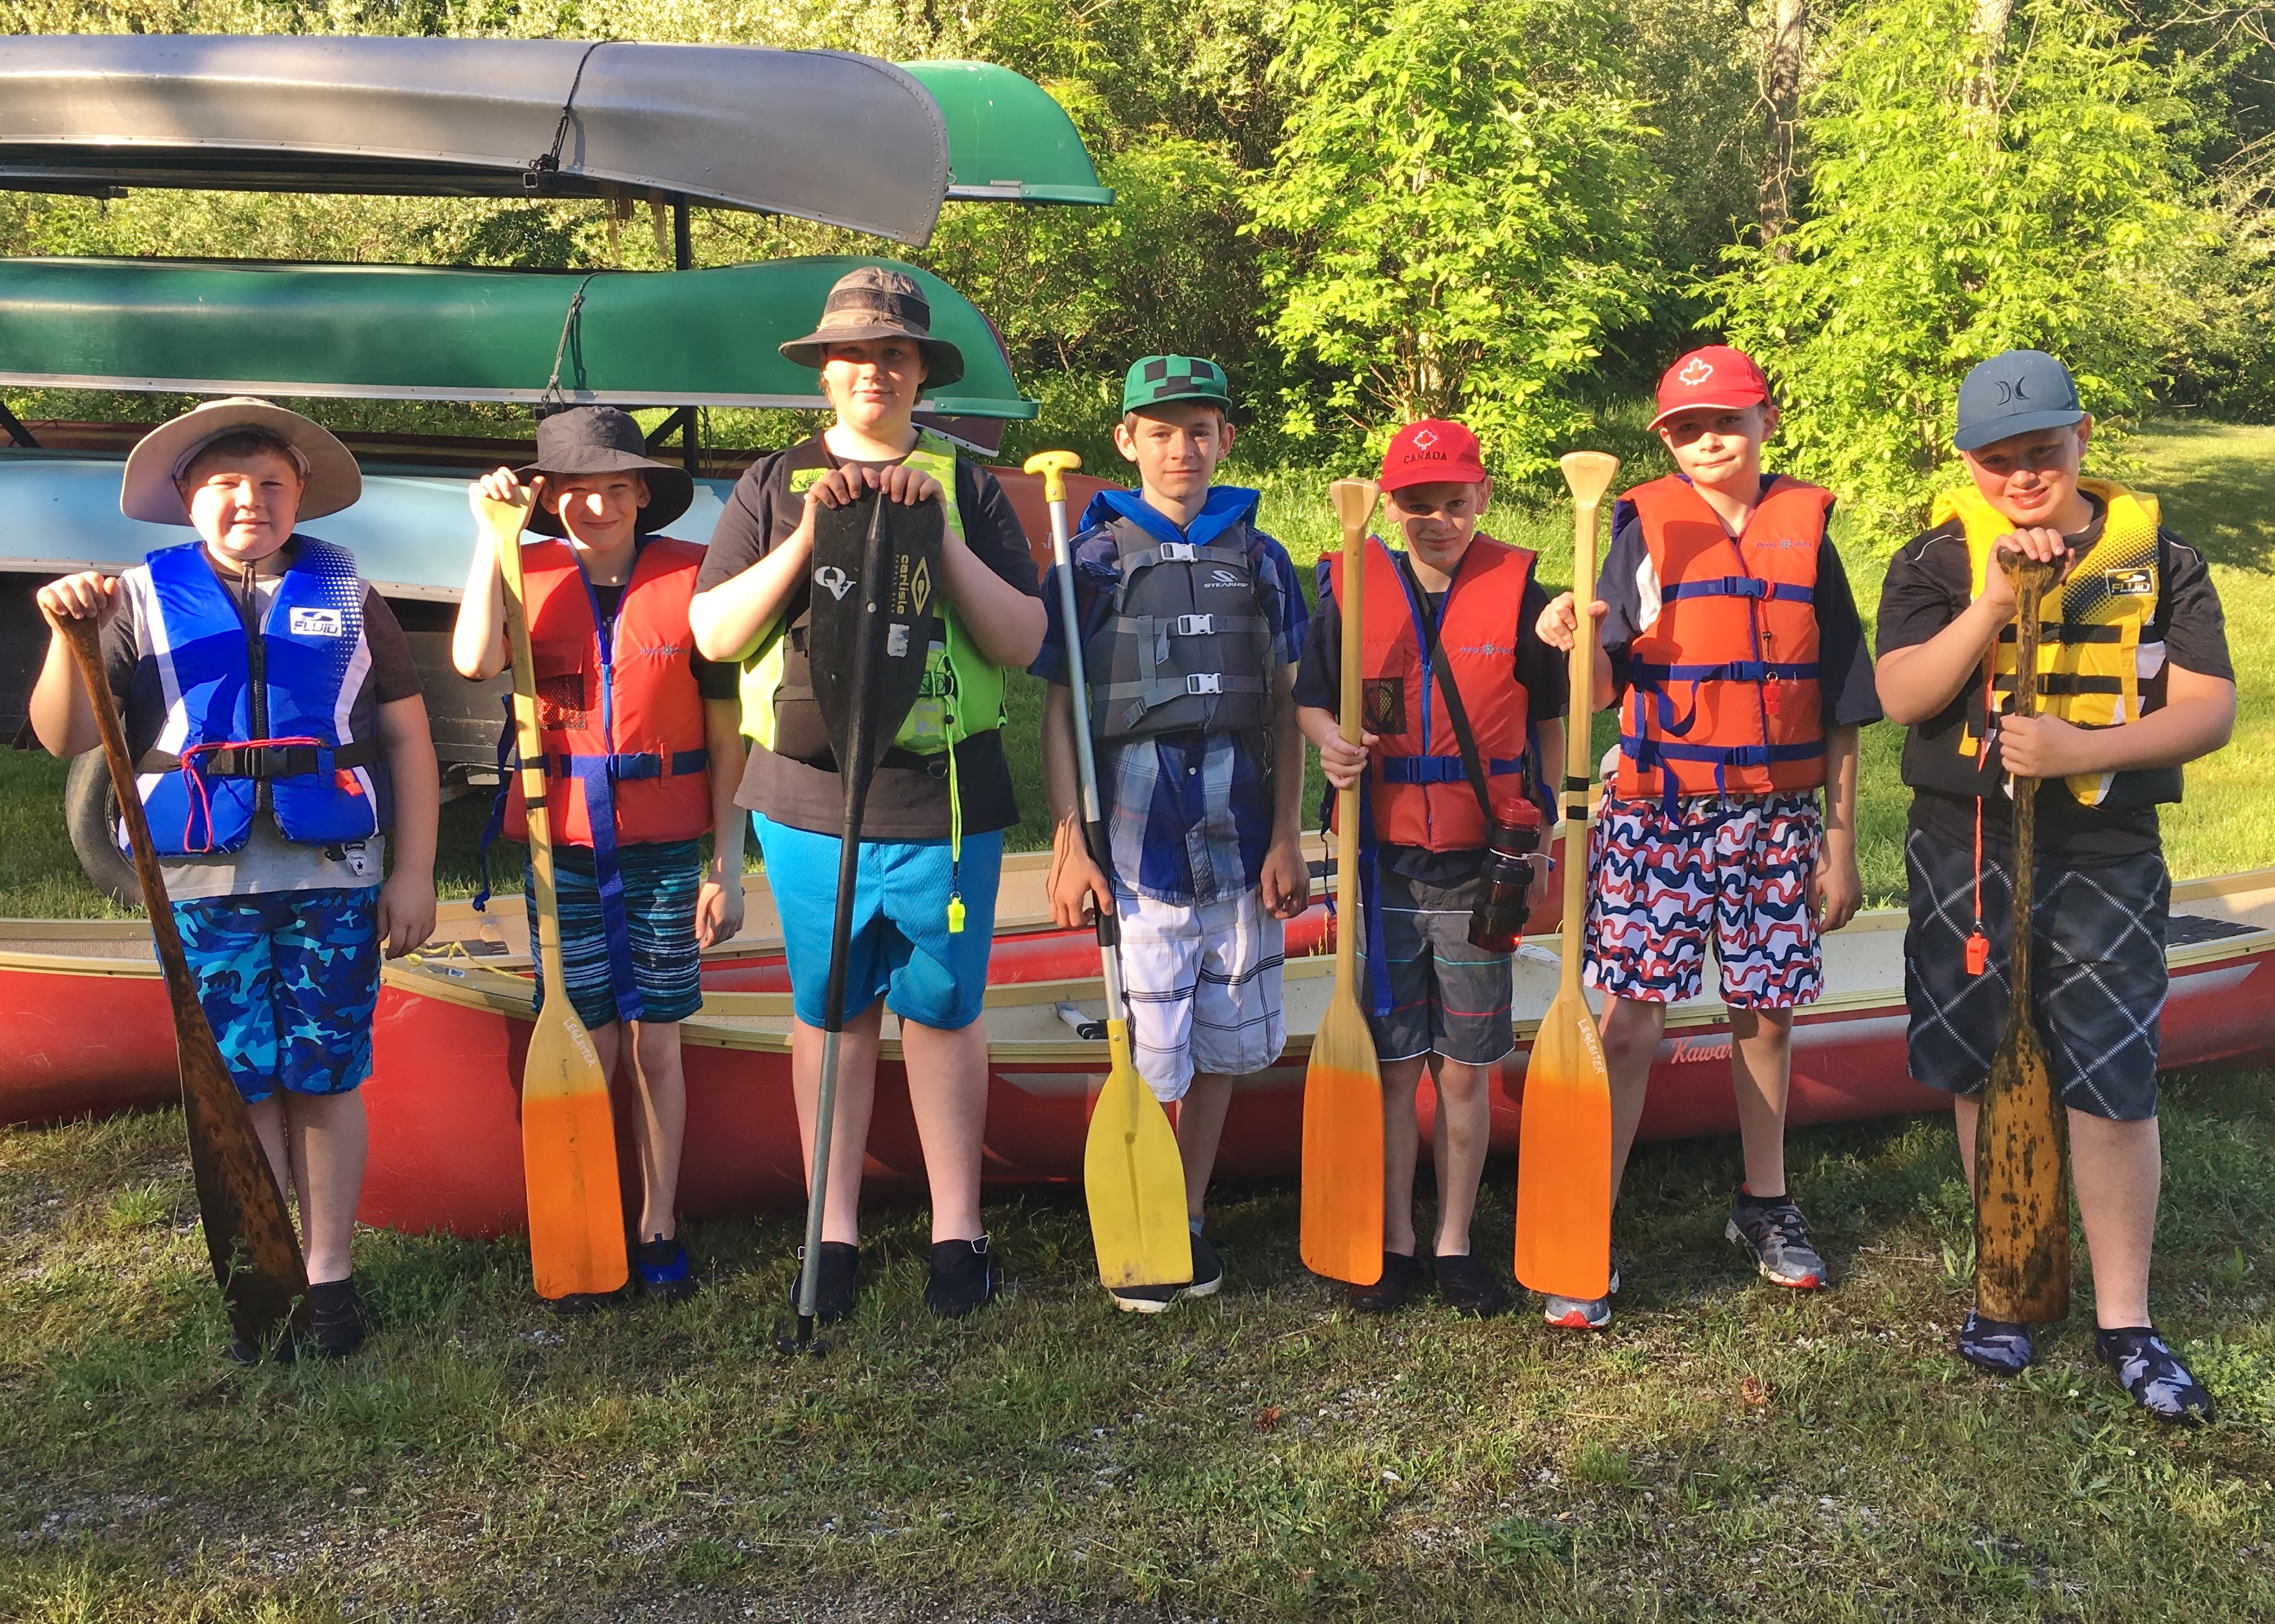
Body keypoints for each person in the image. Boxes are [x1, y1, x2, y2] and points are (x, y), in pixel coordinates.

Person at [26, 397, 439, 1360]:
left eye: (269, 483)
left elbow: (410, 739)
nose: (249, 500)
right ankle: (268, 1269)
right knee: (241, 1080)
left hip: (331, 875)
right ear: (186, 498)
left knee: (325, 1074)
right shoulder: (135, 599)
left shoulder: (350, 594)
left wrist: (415, 870)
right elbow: (63, 735)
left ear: (300, 495)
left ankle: (329, 1275)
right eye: (225, 484)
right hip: (199, 884)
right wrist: (65, 632)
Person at [1873, 350, 2232, 1422]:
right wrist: (1989, 603)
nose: (2022, 475)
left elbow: (2208, 708)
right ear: (1967, 463)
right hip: (1964, 847)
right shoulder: (1935, 560)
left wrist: (2082, 748)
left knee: (2111, 1080)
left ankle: (2126, 1320)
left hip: (2104, 852)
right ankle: (2008, 1279)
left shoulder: (2160, 559)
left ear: (2080, 438)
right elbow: (1903, 694)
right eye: (1997, 460)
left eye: (2042, 450)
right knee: (1981, 1064)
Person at [688, 267, 1046, 1319]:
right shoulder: (771, 483)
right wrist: (808, 536)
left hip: (942, 800)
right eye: (853, 354)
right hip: (808, 800)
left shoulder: (968, 485)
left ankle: (956, 1234)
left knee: (941, 1009)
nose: (872, 372)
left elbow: (1021, 638)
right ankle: (831, 1233)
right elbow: (714, 633)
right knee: (831, 1008)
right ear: (824, 371)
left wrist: (940, 537)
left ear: (921, 374)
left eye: (894, 355)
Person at [1539, 345, 1879, 1330]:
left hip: (1776, 816)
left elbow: (1841, 705)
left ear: (1764, 419)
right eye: (1686, 429)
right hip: (1659, 814)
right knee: (1629, 1019)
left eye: (1725, 421)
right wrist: (1569, 634)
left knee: (1765, 1011)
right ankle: (1589, 1219)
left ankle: (1763, 1201)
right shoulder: (1641, 529)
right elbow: (1599, 691)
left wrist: (1840, 838)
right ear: (1665, 441)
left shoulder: (1806, 534)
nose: (1707, 441)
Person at [452, 405, 747, 1303]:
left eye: (617, 487)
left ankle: (658, 1221)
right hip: (563, 848)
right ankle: (591, 1215)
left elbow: (727, 734)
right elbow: (473, 659)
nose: (598, 505)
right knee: (589, 1037)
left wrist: (727, 866)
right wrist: (491, 536)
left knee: (657, 1041)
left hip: (666, 851)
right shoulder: (523, 566)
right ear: (549, 498)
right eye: (577, 490)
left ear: (642, 496)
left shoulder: (693, 578)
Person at [1035, 355, 1311, 1312]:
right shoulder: (1089, 562)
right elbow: (1060, 713)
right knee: (1151, 1050)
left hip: (1241, 845)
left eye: (1199, 431)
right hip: (1137, 852)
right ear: (1127, 442)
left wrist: (1288, 835)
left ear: (1225, 439)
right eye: (1160, 432)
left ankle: (1186, 1213)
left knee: (1224, 1044)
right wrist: (1071, 842)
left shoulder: (1263, 559)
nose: (1180, 449)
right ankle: (1143, 1204)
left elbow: (1287, 705)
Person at [1294, 420, 1563, 1315]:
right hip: (1383, 863)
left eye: (1454, 501)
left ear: (1481, 496)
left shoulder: (1522, 594)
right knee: (1396, 1064)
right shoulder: (1351, 584)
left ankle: (1453, 1241)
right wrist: (1329, 741)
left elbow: (1549, 719)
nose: (1437, 519)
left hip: (1484, 866)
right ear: (1389, 505)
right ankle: (1394, 1241)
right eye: (1417, 503)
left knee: (1462, 1067)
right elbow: (1310, 697)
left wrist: (1547, 834)